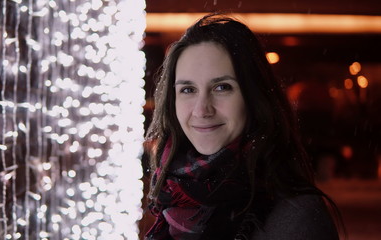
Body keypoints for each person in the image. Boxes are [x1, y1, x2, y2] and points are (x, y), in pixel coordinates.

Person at [144, 14, 342, 240]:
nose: (201, 110)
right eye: (188, 89)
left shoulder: (296, 217)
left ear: (253, 96)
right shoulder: (169, 199)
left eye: (222, 87)